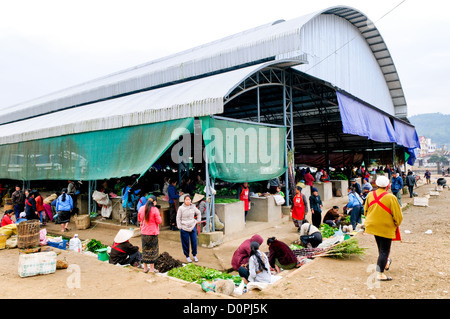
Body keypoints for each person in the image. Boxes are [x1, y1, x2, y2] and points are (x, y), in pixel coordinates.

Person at [364, 175, 403, 281]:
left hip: (373, 225)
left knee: (381, 249)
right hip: (386, 227)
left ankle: (385, 263)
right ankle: (380, 274)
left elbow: (365, 211)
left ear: (376, 185)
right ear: (388, 186)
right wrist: (395, 224)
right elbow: (398, 216)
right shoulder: (391, 197)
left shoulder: (370, 195)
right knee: (384, 251)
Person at [138, 195, 161, 273]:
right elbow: (159, 221)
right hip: (152, 233)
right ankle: (151, 268)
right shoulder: (155, 210)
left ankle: (145, 268)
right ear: (154, 202)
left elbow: (139, 219)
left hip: (144, 233)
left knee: (145, 250)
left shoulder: (141, 209)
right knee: (153, 251)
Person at [176, 195, 201, 263]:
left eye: (189, 199)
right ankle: (187, 256)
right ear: (184, 201)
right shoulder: (181, 208)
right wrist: (179, 226)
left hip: (192, 226)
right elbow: (178, 218)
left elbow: (198, 213)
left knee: (194, 241)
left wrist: (197, 221)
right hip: (184, 227)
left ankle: (194, 255)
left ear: (191, 200)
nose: (188, 201)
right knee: (185, 242)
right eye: (186, 200)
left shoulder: (193, 207)